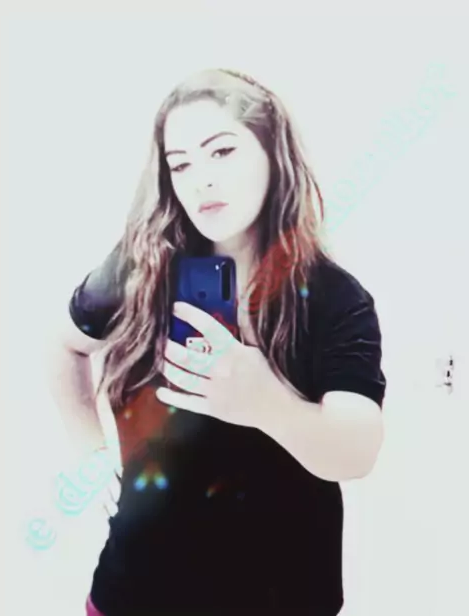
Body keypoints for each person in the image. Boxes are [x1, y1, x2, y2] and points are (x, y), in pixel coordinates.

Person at [49, 67, 386, 616]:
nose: (201, 179)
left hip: (282, 597)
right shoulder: (141, 266)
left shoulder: (332, 296)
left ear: (272, 153)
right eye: (180, 164)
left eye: (222, 152)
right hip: (134, 592)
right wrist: (91, 457)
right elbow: (64, 348)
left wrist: (264, 402)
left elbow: (358, 451)